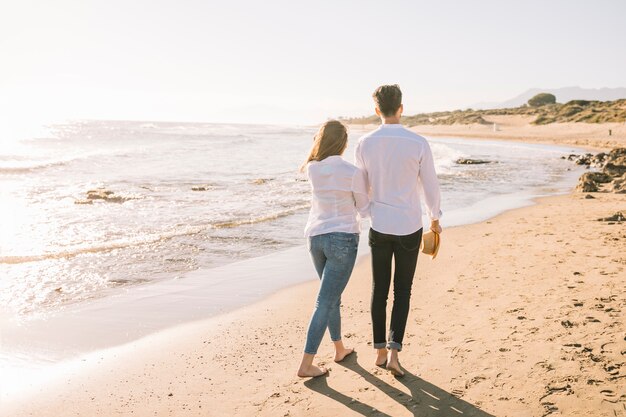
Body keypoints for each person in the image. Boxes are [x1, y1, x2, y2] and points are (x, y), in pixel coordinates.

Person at [354, 84, 442, 377]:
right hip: (409, 226)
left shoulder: (364, 143)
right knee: (402, 290)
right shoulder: (418, 142)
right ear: (401, 108)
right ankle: (393, 353)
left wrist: (367, 212)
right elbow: (430, 185)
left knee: (379, 289)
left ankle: (378, 352)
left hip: (379, 225)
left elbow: (360, 186)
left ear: (377, 110)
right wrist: (435, 217)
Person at [297, 120, 369, 378]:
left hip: (315, 238)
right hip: (342, 239)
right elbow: (363, 208)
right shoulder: (353, 172)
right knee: (325, 301)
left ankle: (339, 349)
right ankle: (306, 365)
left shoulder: (313, 169)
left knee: (330, 299)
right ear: (343, 143)